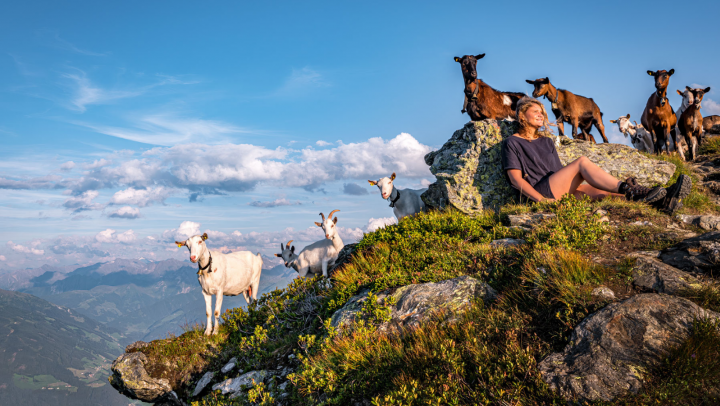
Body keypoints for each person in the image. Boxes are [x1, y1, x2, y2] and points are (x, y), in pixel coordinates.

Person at [501, 96, 691, 213]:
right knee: (582, 162)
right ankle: (628, 187)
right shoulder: (512, 143)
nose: (541, 115)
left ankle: (660, 200)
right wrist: (541, 201)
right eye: (536, 112)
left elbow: (559, 172)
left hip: (558, 188)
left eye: (542, 112)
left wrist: (582, 185)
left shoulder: (546, 141)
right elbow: (516, 181)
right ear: (521, 115)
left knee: (606, 194)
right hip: (540, 193)